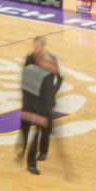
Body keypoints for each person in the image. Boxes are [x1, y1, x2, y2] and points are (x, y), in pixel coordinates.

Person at [16, 39, 60, 174]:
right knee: (25, 128)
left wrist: (51, 100)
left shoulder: (51, 61)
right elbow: (25, 81)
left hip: (44, 102)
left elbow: (58, 79)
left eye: (39, 46)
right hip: (30, 100)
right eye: (35, 46)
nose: (37, 49)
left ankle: (38, 157)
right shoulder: (30, 60)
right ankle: (22, 150)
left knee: (42, 130)